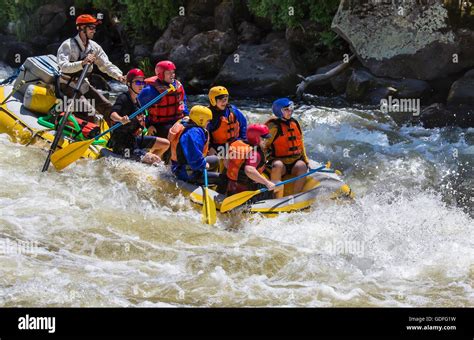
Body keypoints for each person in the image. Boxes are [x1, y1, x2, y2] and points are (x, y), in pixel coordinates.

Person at [57, 14, 126, 124]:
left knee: (108, 107)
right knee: (90, 111)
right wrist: (82, 63)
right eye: (91, 28)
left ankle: (113, 134)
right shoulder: (68, 45)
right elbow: (63, 66)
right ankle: (87, 134)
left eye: (95, 28)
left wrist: (119, 75)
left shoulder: (94, 47)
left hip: (83, 84)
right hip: (66, 84)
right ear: (81, 28)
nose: (94, 31)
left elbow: (106, 65)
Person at [106, 68, 169, 164]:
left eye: (143, 82)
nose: (141, 85)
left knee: (165, 144)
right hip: (122, 144)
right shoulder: (123, 98)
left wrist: (148, 126)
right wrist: (120, 119)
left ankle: (146, 159)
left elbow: (142, 118)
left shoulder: (137, 101)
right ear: (129, 84)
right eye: (137, 83)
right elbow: (112, 114)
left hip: (134, 139)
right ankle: (148, 160)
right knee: (155, 159)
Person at [265, 98, 310, 198]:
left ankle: (296, 196)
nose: (290, 112)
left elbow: (300, 143)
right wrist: (260, 163)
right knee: (277, 165)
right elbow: (264, 145)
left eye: (291, 109)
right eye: (286, 110)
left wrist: (306, 160)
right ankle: (276, 196)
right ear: (278, 111)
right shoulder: (273, 126)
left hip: (294, 162)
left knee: (302, 166)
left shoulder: (295, 123)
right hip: (280, 162)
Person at [138, 60, 189, 139]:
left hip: (178, 121)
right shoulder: (150, 90)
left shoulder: (178, 86)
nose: (172, 75)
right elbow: (138, 109)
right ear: (161, 74)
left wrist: (186, 115)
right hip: (159, 124)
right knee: (171, 133)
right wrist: (148, 125)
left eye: (173, 72)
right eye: (168, 73)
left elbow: (183, 102)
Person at [169, 105, 219, 184]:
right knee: (222, 179)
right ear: (201, 120)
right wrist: (203, 165)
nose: (208, 123)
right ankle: (204, 188)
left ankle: (207, 184)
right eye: (208, 120)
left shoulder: (186, 123)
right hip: (186, 171)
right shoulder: (193, 134)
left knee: (215, 160)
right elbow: (194, 158)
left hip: (180, 165)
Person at [225, 124, 277, 196]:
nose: (266, 141)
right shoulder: (255, 153)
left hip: (230, 185)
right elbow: (249, 170)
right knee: (278, 186)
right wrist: (267, 183)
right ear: (256, 138)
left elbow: (226, 163)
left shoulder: (236, 144)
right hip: (247, 189)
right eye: (264, 138)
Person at [207, 86, 247, 156]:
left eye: (226, 99)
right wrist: (210, 147)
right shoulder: (209, 115)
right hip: (217, 147)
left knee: (252, 152)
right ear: (212, 100)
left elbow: (243, 125)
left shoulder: (233, 111)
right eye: (220, 99)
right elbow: (204, 135)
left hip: (235, 143)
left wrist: (243, 139)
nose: (224, 102)